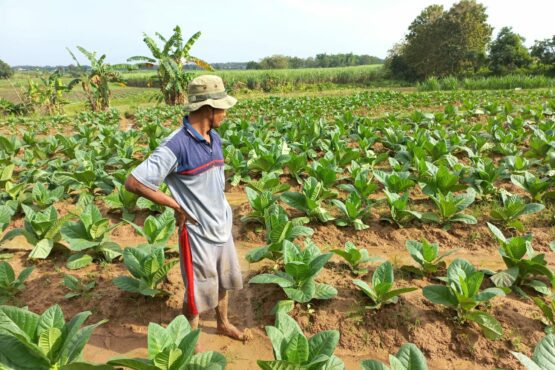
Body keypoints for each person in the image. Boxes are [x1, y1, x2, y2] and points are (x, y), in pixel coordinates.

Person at [125, 75, 247, 345]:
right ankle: (186, 346)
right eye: (222, 108)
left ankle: (223, 323)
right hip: (197, 232)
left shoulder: (214, 137)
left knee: (223, 280)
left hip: (221, 225)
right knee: (196, 293)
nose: (225, 114)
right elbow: (134, 182)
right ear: (208, 108)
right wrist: (174, 204)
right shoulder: (176, 144)